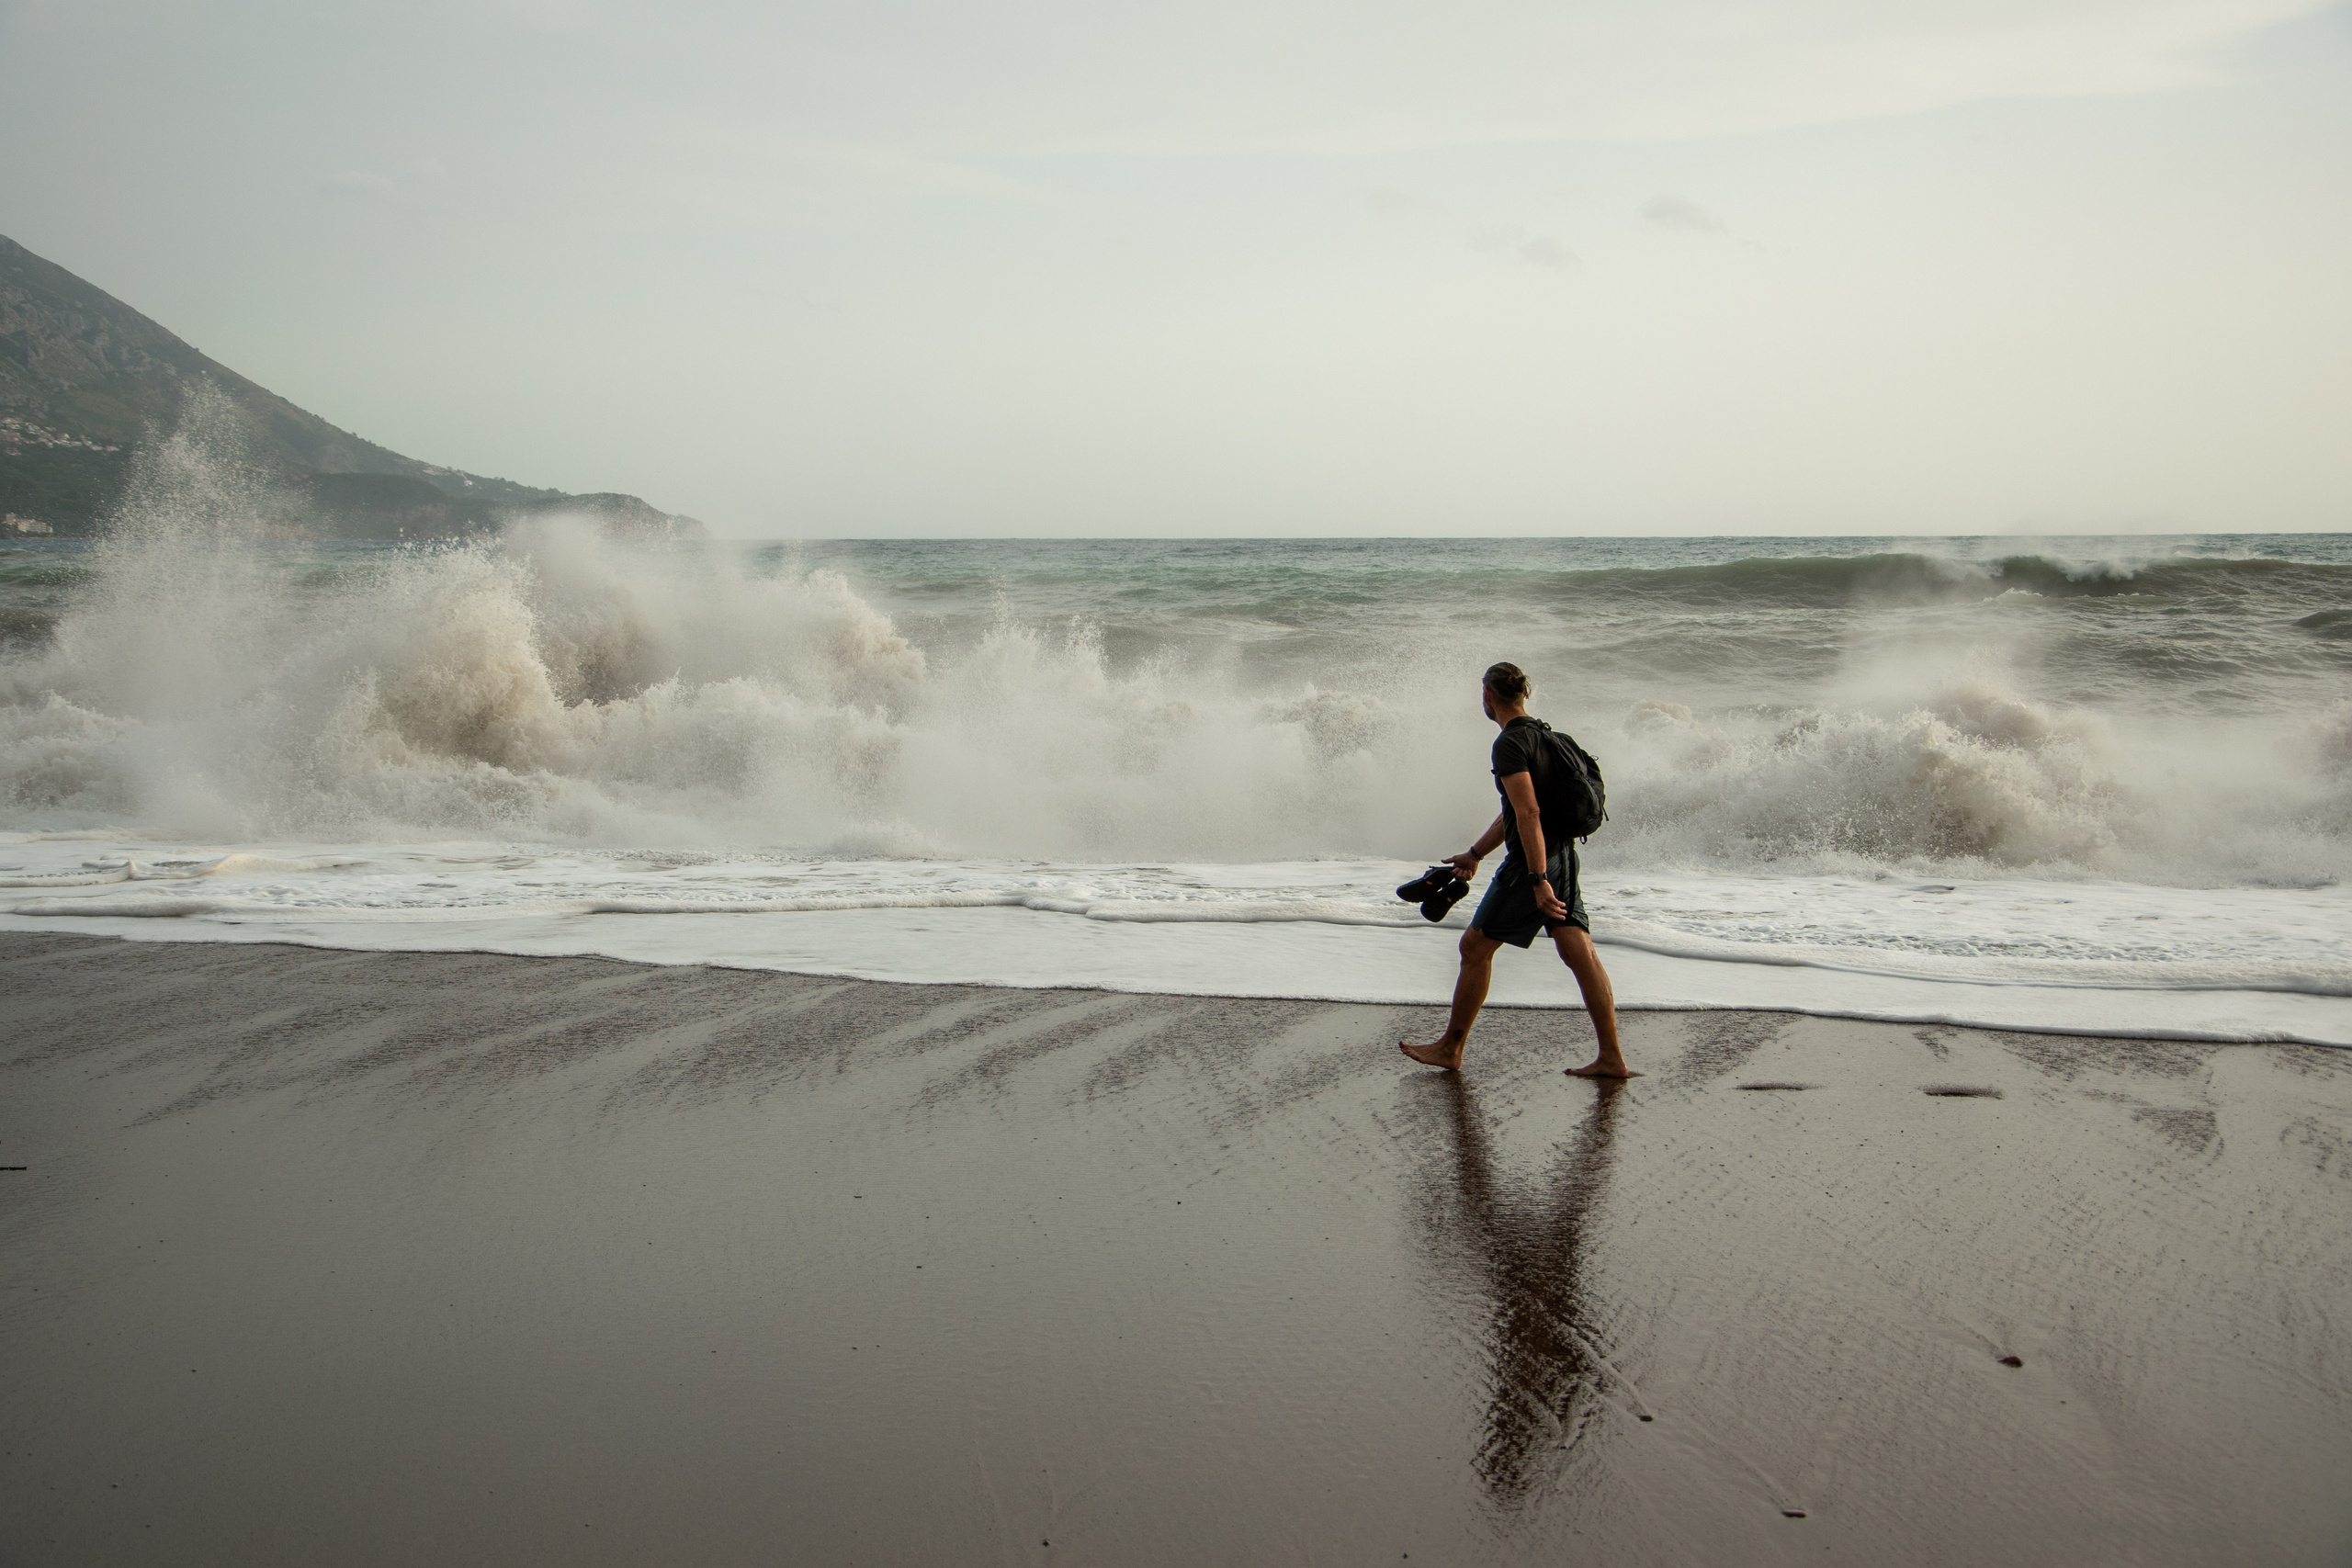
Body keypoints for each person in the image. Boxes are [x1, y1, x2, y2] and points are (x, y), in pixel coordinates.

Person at [1401, 662, 1634, 1077]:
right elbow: (1513, 810)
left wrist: (1538, 880)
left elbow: (1528, 813)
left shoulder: (1509, 744)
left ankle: (1450, 1048)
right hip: (1562, 855)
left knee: (1474, 948)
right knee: (1579, 953)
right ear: (1523, 694)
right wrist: (1475, 854)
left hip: (1532, 864)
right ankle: (1612, 1057)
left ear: (1488, 696)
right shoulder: (1551, 737)